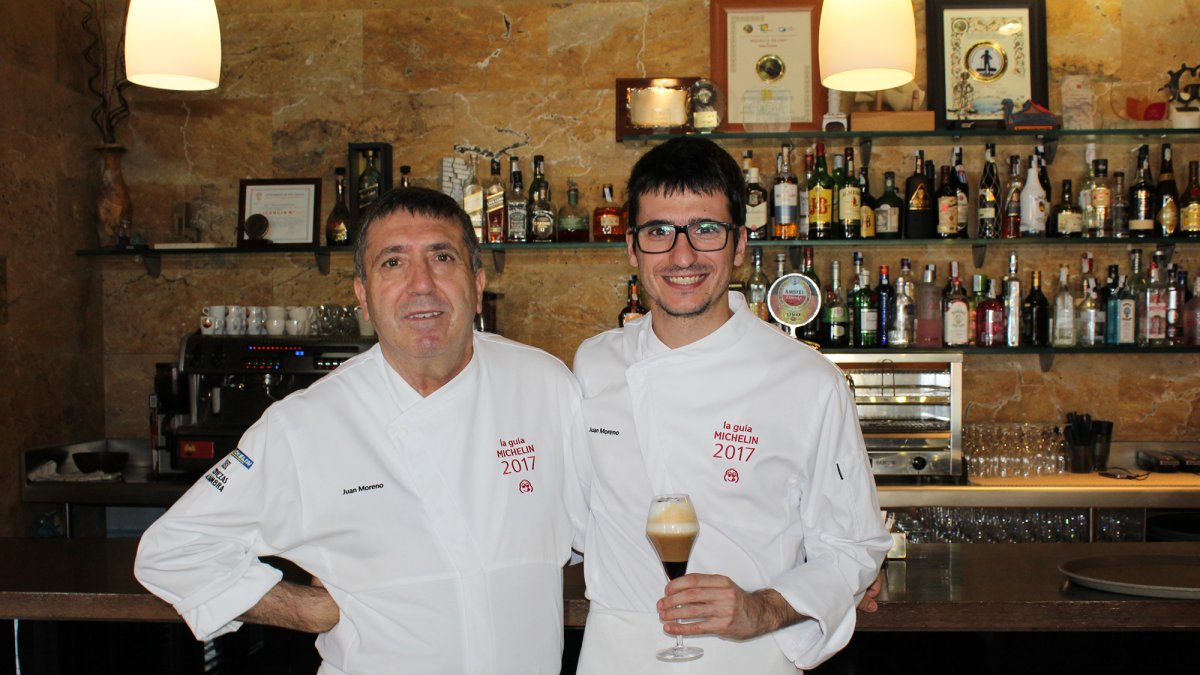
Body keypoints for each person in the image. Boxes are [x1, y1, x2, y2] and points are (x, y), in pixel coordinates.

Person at [135, 187, 580, 674]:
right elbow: (173, 551)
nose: (422, 285)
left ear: (476, 284)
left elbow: (591, 530)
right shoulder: (305, 423)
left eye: (442, 257)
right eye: (393, 263)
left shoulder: (545, 384)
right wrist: (306, 609)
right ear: (363, 297)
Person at [569, 137, 891, 673]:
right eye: (659, 232)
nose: (683, 255)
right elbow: (568, 518)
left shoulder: (808, 380)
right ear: (631, 247)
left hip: (747, 657)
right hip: (616, 651)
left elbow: (853, 546)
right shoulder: (594, 364)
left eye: (707, 230)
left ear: (740, 245)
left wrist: (760, 609)